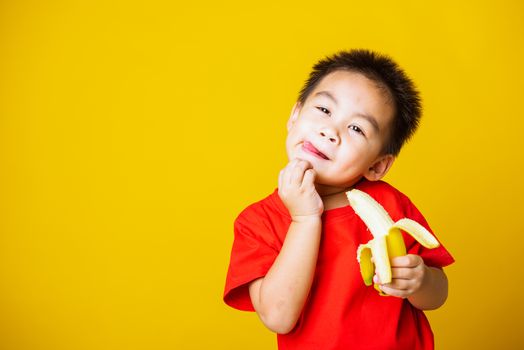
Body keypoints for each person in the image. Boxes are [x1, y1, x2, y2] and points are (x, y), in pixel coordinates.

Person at [223, 49, 454, 349]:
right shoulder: (257, 223)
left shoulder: (392, 205)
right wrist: (305, 219)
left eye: (356, 128)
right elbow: (278, 317)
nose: (330, 131)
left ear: (377, 166)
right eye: (324, 110)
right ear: (294, 116)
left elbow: (438, 294)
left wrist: (420, 282)